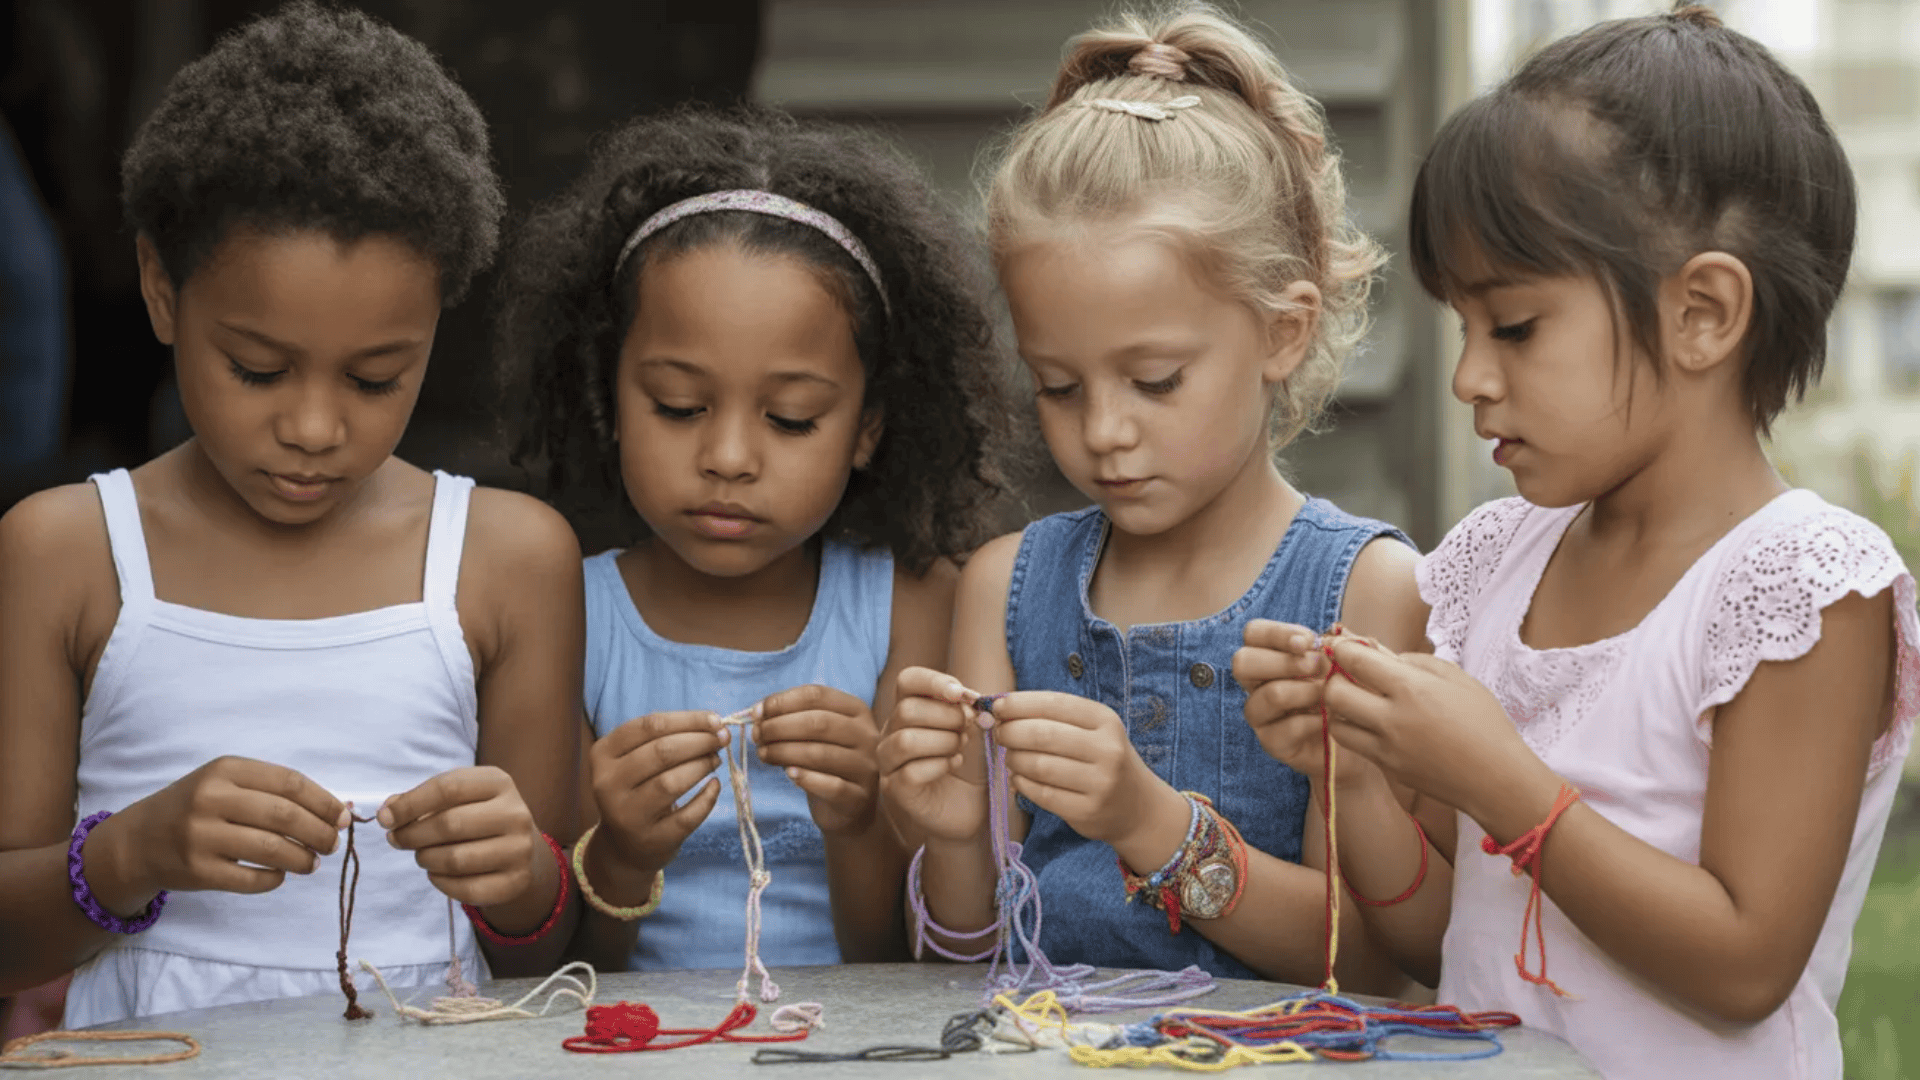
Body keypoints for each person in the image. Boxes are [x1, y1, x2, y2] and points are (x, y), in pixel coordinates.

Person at [1236, 7, 1918, 1077]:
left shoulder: (1799, 588)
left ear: (1703, 313)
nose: (1469, 376)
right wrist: (1357, 780)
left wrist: (1504, 783)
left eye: (1513, 326)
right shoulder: (1496, 565)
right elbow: (1444, 937)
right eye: (1463, 328)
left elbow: (1747, 966)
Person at [0, 2, 584, 1027]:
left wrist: (523, 878)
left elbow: (558, 940)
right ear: (161, 290)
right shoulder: (66, 551)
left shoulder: (507, 557)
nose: (314, 427)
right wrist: (129, 853)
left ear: (436, 321)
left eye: (375, 378)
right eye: (258, 369)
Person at [877, 2, 1422, 991]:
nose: (1104, 431)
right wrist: (953, 835)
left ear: (1282, 332)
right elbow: (956, 963)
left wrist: (1147, 822)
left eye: (1156, 380)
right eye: (1058, 385)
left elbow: (1375, 959)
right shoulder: (1005, 588)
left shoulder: (1364, 593)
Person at [498, 105, 1016, 971]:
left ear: (867, 430)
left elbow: (914, 959)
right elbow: (559, 967)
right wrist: (622, 850)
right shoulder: (565, 608)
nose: (729, 458)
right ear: (607, 400)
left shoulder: (913, 603)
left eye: (791, 418)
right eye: (677, 407)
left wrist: (856, 822)